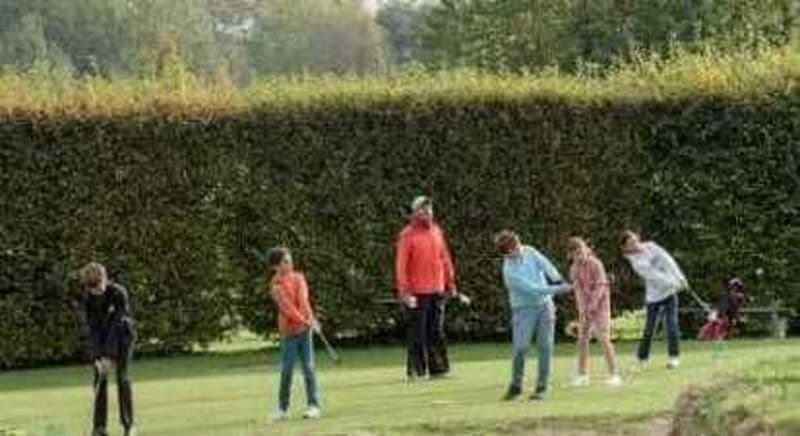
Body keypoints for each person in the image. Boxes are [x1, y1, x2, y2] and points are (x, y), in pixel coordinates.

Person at [495, 230, 571, 401]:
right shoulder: (509, 272)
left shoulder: (529, 250)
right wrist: (560, 289)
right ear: (506, 254)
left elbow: (546, 265)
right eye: (514, 249)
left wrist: (558, 280)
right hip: (523, 310)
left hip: (545, 306)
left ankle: (541, 387)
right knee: (520, 347)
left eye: (518, 245)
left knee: (545, 346)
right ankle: (516, 386)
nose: (519, 250)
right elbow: (533, 290)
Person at [394, 195, 462, 380]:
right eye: (422, 209)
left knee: (436, 331)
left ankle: (438, 369)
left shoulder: (437, 231)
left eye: (429, 209)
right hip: (417, 292)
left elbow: (445, 258)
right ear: (414, 213)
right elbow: (401, 265)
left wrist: (451, 283)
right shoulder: (407, 235)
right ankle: (416, 371)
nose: (426, 212)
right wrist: (405, 292)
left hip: (437, 289)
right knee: (417, 333)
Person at [619, 230, 688, 370]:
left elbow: (668, 260)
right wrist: (676, 284)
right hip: (654, 298)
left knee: (672, 325)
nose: (635, 244)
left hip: (670, 293)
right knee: (649, 329)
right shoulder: (637, 263)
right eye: (631, 243)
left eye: (635, 239)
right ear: (626, 248)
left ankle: (674, 358)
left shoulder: (651, 246)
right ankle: (641, 359)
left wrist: (681, 278)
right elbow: (655, 277)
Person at [81, 262, 136, 436]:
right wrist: (98, 357)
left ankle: (128, 425)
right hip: (102, 339)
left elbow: (117, 325)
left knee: (122, 378)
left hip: (123, 337)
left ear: (105, 279)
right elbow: (92, 329)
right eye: (92, 289)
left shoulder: (119, 293)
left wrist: (109, 355)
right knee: (100, 378)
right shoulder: (89, 299)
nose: (96, 292)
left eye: (98, 287)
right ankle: (99, 427)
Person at [267, 247, 321, 420]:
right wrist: (304, 320)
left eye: (290, 260)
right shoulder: (275, 286)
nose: (289, 263)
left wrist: (311, 319)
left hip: (304, 332)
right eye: (285, 261)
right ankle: (282, 409)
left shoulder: (299, 278)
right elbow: (287, 308)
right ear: (276, 266)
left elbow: (304, 301)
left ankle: (313, 405)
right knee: (287, 370)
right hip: (289, 333)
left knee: (309, 367)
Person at [567, 237, 621, 387]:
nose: (580, 256)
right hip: (586, 308)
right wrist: (583, 309)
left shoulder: (596, 264)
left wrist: (592, 306)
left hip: (601, 305)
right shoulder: (574, 269)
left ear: (586, 249)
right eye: (576, 254)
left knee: (603, 337)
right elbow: (578, 290)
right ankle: (582, 375)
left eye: (582, 252)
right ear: (571, 255)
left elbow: (601, 286)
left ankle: (614, 374)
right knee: (582, 339)